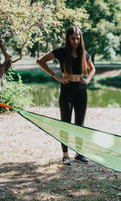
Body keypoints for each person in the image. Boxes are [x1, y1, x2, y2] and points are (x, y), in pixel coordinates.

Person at [36, 26, 95, 165]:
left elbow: (92, 69)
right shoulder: (61, 52)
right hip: (66, 89)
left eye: (78, 38)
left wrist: (87, 80)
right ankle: (65, 155)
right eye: (73, 38)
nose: (76, 41)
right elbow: (40, 61)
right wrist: (55, 76)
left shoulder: (83, 53)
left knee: (80, 124)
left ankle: (79, 154)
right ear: (68, 39)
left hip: (81, 90)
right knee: (65, 123)